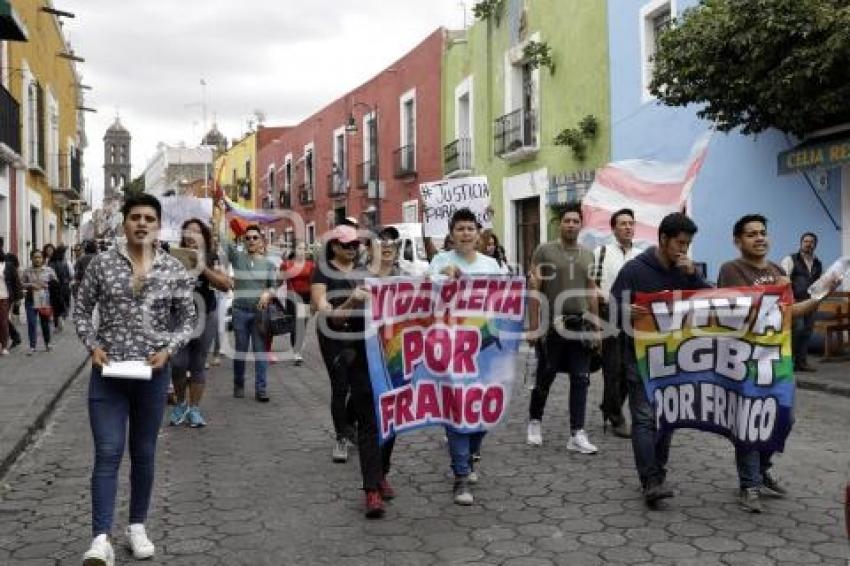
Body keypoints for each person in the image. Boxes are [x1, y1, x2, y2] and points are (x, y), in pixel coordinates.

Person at [74, 193, 196, 564]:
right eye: (135, 217)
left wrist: (168, 350)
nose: (142, 223)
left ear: (158, 225)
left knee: (144, 453)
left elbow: (188, 319)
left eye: (149, 218)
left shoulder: (173, 269)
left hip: (152, 375)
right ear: (123, 222)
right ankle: (100, 538)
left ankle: (136, 526)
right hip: (107, 374)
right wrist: (92, 346)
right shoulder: (101, 265)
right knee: (108, 452)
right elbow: (81, 311)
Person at [717, 215, 837, 513]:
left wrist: (822, 293)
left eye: (763, 233)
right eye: (751, 234)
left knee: (784, 418)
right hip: (744, 361)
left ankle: (761, 469)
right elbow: (734, 311)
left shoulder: (774, 270)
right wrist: (773, 291)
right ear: (738, 240)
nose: (759, 238)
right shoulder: (731, 269)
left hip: (776, 359)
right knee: (748, 421)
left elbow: (789, 312)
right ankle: (749, 485)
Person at [610, 212, 711, 507]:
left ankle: (658, 472)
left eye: (688, 244)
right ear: (663, 239)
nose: (684, 249)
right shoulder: (634, 270)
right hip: (639, 357)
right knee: (643, 418)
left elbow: (712, 301)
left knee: (667, 417)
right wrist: (625, 311)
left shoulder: (686, 271)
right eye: (680, 243)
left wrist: (694, 275)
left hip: (675, 358)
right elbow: (612, 307)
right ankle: (650, 481)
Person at [428, 208, 504, 506]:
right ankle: (460, 475)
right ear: (451, 234)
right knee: (456, 408)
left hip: (485, 347)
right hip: (449, 348)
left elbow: (503, 303)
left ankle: (472, 453)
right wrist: (441, 278)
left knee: (482, 407)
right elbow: (423, 295)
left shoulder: (492, 265)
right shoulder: (440, 262)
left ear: (478, 232)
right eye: (459, 229)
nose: (465, 233)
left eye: (470, 228)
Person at [525, 203, 601, 455]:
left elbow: (592, 290)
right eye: (567, 220)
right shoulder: (544, 251)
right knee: (545, 376)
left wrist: (598, 326)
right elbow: (534, 289)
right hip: (551, 326)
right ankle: (535, 421)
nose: (571, 225)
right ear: (560, 224)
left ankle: (577, 433)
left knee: (581, 378)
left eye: (575, 221)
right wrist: (533, 325)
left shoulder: (588, 254)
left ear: (581, 225)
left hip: (580, 325)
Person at [169, 218, 233, 428]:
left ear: (203, 237)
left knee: (198, 362)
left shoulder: (212, 258)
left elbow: (226, 285)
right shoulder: (172, 258)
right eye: (188, 231)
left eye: (197, 232)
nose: (192, 235)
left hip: (206, 315)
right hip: (177, 317)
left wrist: (202, 268)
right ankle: (180, 403)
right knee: (178, 363)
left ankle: (194, 409)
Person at [311, 225, 362, 463]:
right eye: (346, 245)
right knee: (341, 385)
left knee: (361, 385)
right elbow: (319, 301)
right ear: (334, 246)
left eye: (355, 244)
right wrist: (325, 307)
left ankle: (349, 426)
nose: (352, 249)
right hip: (333, 334)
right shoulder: (323, 271)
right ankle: (341, 437)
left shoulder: (363, 270)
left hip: (361, 333)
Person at [594, 208, 641, 438]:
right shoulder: (601, 252)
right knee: (612, 368)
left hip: (635, 318)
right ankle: (616, 417)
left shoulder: (642, 256)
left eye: (631, 223)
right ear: (613, 228)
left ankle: (610, 405)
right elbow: (591, 284)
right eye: (622, 224)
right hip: (608, 315)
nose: (627, 227)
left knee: (629, 368)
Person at [226, 225, 277, 402]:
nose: (251, 241)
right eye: (247, 238)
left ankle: (261, 389)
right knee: (240, 350)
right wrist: (220, 209)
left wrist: (267, 293)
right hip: (240, 311)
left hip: (259, 314)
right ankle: (238, 384)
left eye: (255, 238)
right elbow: (224, 242)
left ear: (261, 241)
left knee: (260, 351)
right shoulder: (237, 258)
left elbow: (273, 286)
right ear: (243, 241)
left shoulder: (269, 264)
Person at [781, 233, 822, 372]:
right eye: (805, 241)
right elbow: (783, 280)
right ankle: (788, 362)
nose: (808, 244)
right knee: (797, 330)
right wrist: (788, 300)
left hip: (811, 302)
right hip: (795, 302)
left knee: (807, 331)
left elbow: (818, 282)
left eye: (811, 241)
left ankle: (801, 363)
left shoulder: (817, 262)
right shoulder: (790, 259)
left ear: (815, 244)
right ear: (801, 243)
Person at [279, 239, 315, 365]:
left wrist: (313, 300)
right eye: (299, 248)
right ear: (294, 250)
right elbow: (280, 280)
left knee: (303, 323)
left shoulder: (311, 265)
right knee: (295, 324)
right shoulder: (287, 264)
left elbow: (313, 283)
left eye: (304, 249)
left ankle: (298, 344)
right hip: (292, 296)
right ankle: (297, 353)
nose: (302, 251)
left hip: (306, 296)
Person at [20, 249, 57, 354]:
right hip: (30, 300)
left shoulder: (49, 270)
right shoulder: (27, 271)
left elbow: (55, 283)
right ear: (31, 258)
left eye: (39, 257)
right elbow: (21, 283)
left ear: (43, 259)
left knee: (45, 322)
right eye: (35, 257)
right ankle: (32, 346)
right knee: (32, 323)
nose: (37, 259)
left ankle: (48, 343)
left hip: (44, 299)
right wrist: (30, 285)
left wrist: (47, 285)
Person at [0, 246, 22, 355]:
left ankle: (4, 345)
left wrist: (18, 299)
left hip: (5, 297)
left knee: (3, 321)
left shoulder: (8, 265)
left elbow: (16, 283)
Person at [48, 244, 72, 330]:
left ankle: (58, 321)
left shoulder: (51, 263)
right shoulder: (63, 262)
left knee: (56, 305)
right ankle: (61, 317)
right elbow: (69, 275)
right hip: (62, 287)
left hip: (55, 288)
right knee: (63, 303)